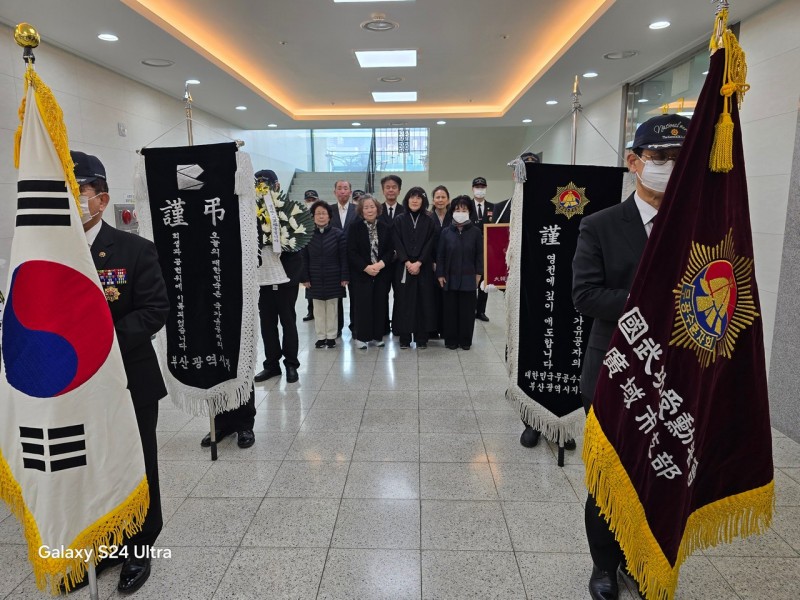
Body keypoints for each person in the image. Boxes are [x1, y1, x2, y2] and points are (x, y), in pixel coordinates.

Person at [572, 114, 689, 600]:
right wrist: (652, 300)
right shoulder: (601, 225)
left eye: (679, 159)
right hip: (615, 371)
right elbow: (585, 295)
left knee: (658, 477)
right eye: (659, 157)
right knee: (610, 476)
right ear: (634, 162)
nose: (668, 167)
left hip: (675, 374)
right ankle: (604, 564)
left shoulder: (695, 226)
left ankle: (643, 558)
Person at [71, 150, 169, 594]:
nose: (73, 199)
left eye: (80, 191)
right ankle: (104, 544)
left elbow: (154, 310)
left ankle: (139, 546)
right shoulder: (52, 255)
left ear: (102, 198)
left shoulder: (134, 250)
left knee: (135, 461)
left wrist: (99, 341)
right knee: (90, 464)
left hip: (128, 379)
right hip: (72, 385)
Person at [392, 187, 438, 349]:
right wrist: (406, 261)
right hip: (404, 267)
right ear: (407, 199)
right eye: (412, 197)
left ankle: (421, 338)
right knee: (404, 301)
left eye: (418, 198)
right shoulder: (399, 219)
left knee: (423, 301)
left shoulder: (429, 220)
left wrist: (419, 262)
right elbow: (396, 241)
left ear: (423, 201)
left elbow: (430, 243)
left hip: (423, 267)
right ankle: (404, 338)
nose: (415, 200)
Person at [436, 195, 483, 350]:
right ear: (452, 212)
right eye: (457, 209)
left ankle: (465, 341)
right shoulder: (446, 232)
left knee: (467, 311)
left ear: (469, 212)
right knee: (450, 311)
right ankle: (451, 340)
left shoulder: (476, 232)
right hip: (449, 277)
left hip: (469, 277)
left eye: (464, 210)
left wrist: (479, 274)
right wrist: (440, 274)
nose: (460, 212)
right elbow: (440, 255)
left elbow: (480, 255)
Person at [347, 194, 394, 348]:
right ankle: (361, 337)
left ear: (377, 209)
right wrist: (366, 267)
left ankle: (376, 336)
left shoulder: (385, 227)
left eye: (372, 207)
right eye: (366, 207)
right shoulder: (354, 227)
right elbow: (351, 252)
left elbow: (390, 250)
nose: (369, 210)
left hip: (381, 273)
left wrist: (380, 264)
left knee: (379, 305)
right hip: (361, 274)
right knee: (362, 305)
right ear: (361, 211)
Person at [301, 200, 349, 348]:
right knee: (318, 309)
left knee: (332, 308)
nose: (321, 216)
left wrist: (344, 277)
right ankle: (321, 337)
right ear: (313, 216)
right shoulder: (307, 235)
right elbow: (303, 258)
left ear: (329, 216)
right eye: (318, 214)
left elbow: (343, 257)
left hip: (334, 276)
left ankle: (331, 337)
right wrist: (304, 278)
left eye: (324, 213)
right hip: (314, 277)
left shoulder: (338, 234)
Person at [378, 174, 404, 335]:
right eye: (387, 187)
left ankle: (399, 327)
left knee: (400, 295)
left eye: (394, 187)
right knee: (381, 295)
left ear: (399, 190)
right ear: (383, 190)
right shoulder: (376, 210)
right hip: (382, 262)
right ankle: (382, 327)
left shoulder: (405, 210)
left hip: (401, 262)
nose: (391, 190)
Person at [330, 180, 356, 337]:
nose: (342, 191)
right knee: (336, 295)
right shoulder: (329, 210)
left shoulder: (357, 210)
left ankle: (355, 326)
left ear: (350, 192)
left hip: (354, 260)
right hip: (335, 260)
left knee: (355, 295)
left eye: (346, 188)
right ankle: (337, 327)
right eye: (339, 188)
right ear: (335, 192)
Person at [429, 185, 451, 339]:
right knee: (433, 298)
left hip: (450, 265)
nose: (440, 200)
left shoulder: (454, 218)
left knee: (447, 298)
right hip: (431, 264)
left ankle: (446, 329)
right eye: (437, 197)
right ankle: (432, 329)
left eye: (443, 197)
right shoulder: (428, 218)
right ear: (433, 200)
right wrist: (431, 261)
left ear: (448, 200)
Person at [471, 176, 494, 322]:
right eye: (477, 187)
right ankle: (471, 309)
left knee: (484, 282)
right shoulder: (467, 207)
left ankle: (481, 311)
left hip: (486, 251)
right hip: (470, 250)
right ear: (472, 189)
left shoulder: (493, 207)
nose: (480, 190)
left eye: (482, 187)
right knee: (471, 281)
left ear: (486, 189)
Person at [302, 189, 319, 322]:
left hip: (321, 252)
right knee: (309, 285)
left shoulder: (322, 214)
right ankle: (310, 310)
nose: (311, 202)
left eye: (313, 200)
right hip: (307, 253)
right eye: (308, 200)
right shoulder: (300, 216)